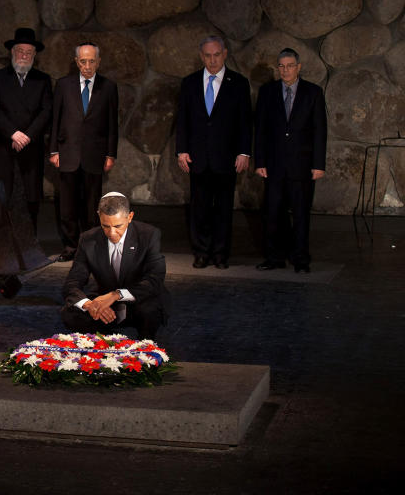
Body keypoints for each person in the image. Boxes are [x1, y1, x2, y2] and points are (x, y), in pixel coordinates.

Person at [175, 36, 251, 269]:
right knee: (199, 208)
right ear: (201, 57)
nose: (212, 60)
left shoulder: (238, 83)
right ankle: (201, 252)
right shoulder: (190, 82)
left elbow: (245, 122)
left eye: (216, 55)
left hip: (226, 158)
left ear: (225, 54)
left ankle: (220, 254)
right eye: (207, 55)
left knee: (224, 209)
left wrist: (244, 152)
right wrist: (182, 151)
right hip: (197, 157)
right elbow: (183, 120)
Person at [254, 48, 327, 273]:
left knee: (301, 213)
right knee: (273, 212)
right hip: (274, 165)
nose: (285, 70)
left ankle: (301, 259)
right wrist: (260, 162)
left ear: (299, 67)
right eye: (282, 66)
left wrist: (318, 164)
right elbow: (261, 130)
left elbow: (320, 130)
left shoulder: (313, 93)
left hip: (303, 165)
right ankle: (274, 257)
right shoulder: (267, 92)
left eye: (290, 66)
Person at [60, 192, 170, 340]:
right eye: (105, 226)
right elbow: (72, 283)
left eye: (118, 226)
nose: (112, 233)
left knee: (150, 310)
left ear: (130, 217)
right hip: (104, 301)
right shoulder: (88, 239)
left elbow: (154, 280)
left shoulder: (149, 235)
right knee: (69, 313)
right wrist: (89, 305)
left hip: (138, 299)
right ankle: (106, 339)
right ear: (99, 216)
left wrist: (116, 295)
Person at [49, 43, 118, 261]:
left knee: (91, 205)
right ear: (76, 61)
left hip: (94, 155)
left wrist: (110, 154)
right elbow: (55, 120)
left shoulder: (108, 87)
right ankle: (70, 246)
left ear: (98, 62)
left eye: (91, 61)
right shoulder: (63, 85)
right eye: (83, 61)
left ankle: (89, 247)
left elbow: (112, 123)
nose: (87, 66)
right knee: (67, 204)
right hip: (67, 153)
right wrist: (53, 150)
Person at [0, 28, 53, 232]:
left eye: (28, 52)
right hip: (4, 146)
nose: (24, 56)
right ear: (12, 52)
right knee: (2, 193)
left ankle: (29, 239)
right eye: (20, 51)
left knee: (30, 195)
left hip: (31, 148)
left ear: (34, 55)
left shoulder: (43, 79)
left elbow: (46, 111)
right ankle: (1, 238)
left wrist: (27, 136)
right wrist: (13, 133)